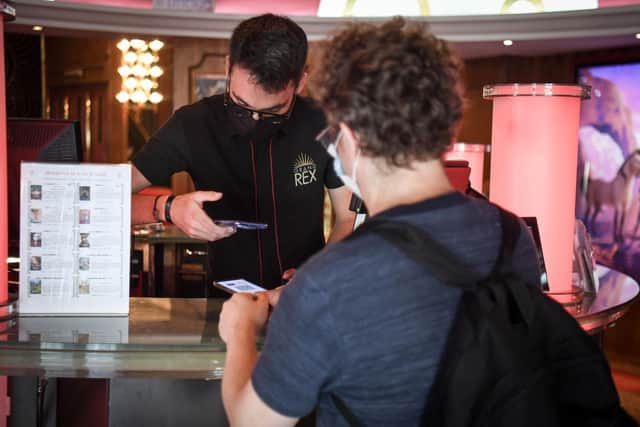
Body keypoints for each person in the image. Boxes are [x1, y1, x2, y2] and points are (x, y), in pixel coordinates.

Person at [218, 18, 542, 426]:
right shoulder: (513, 237)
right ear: (447, 124)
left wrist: (241, 330)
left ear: (349, 138)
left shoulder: (326, 281)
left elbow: (253, 422)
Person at [131, 14, 355, 290]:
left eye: (273, 113)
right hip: (222, 309)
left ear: (300, 83)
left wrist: (320, 270)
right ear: (228, 66)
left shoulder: (323, 122)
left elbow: (348, 217)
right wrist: (166, 207)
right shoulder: (192, 123)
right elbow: (102, 196)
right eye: (240, 106)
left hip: (305, 298)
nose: (254, 121)